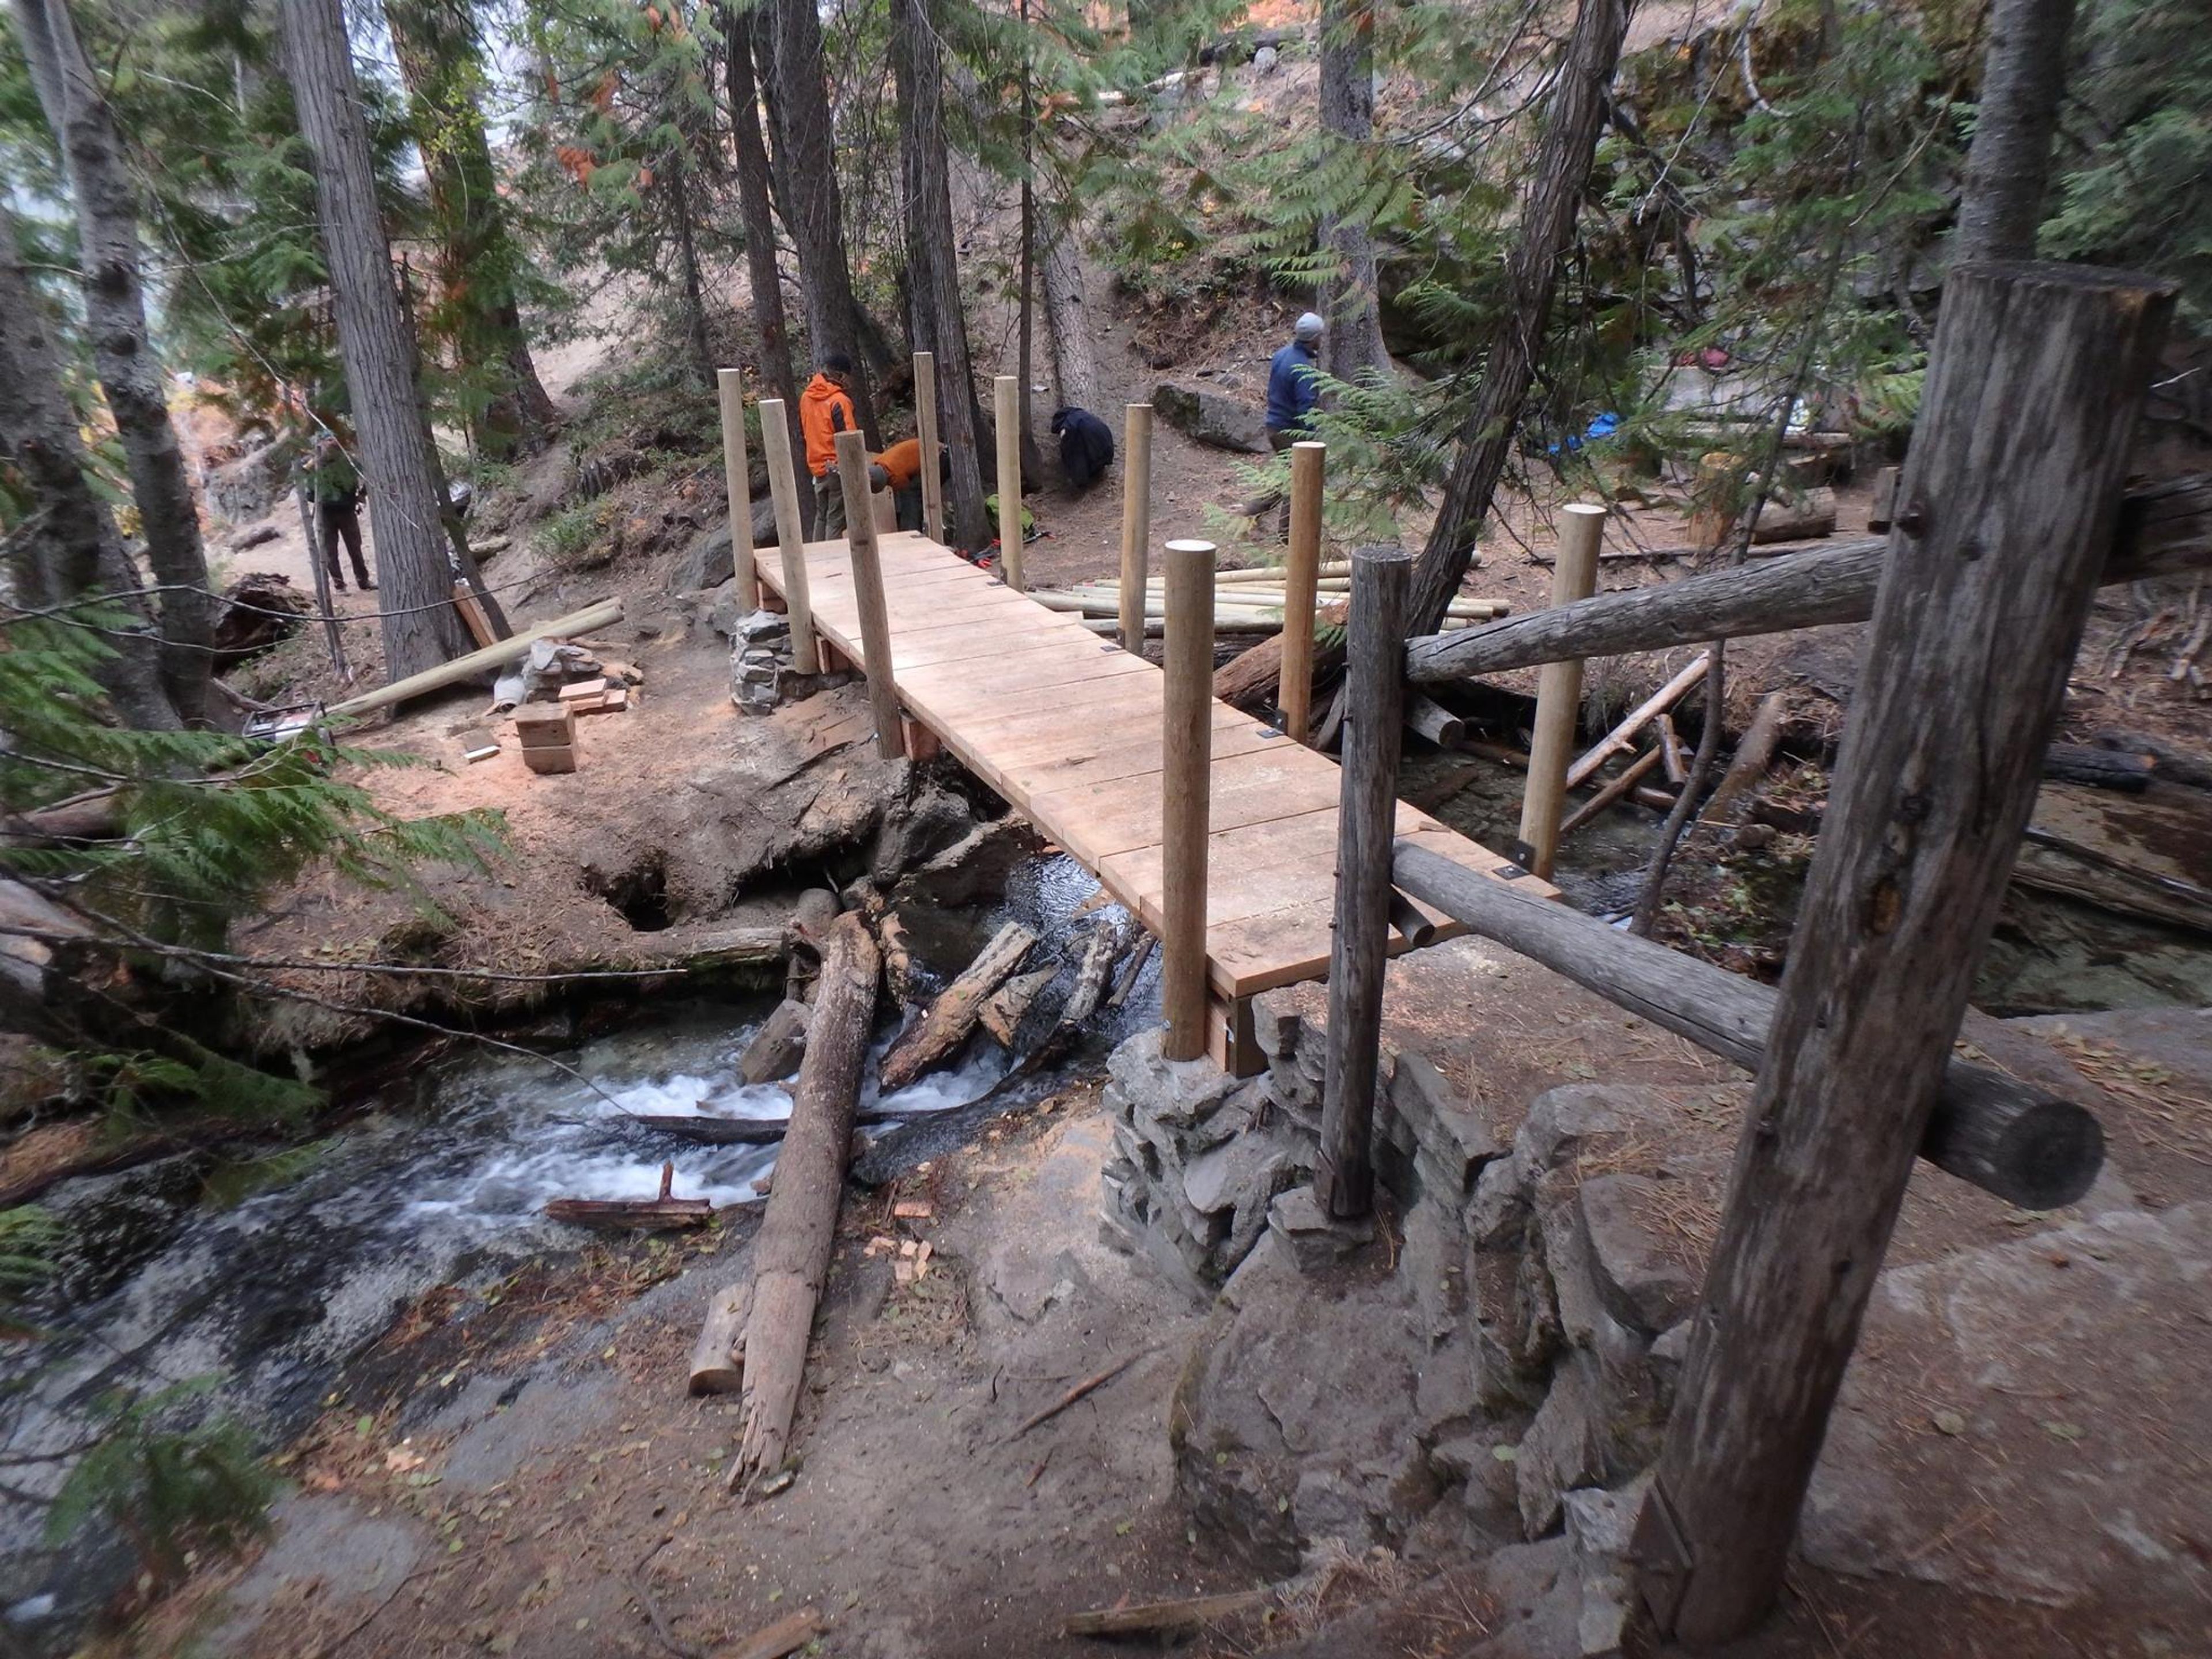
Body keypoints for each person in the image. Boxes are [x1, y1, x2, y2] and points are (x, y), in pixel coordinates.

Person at [1265, 312, 1324, 537]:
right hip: (1289, 432)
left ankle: (1253, 511)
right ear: (1314, 338)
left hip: (1273, 425)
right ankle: (1287, 533)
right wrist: (1312, 440)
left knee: (1287, 476)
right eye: (1321, 335)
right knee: (1298, 480)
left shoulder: (1281, 355)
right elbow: (1306, 409)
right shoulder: (1304, 369)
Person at [800, 351, 860, 540]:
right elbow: (849, 438)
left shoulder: (806, 398)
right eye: (848, 377)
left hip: (817, 467)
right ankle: (831, 560)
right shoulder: (840, 401)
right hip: (836, 466)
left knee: (821, 516)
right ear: (841, 376)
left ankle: (818, 559)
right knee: (835, 519)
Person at [303, 434, 373, 592]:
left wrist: (361, 495)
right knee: (330, 551)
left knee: (355, 547)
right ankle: (339, 585)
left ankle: (363, 581)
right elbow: (309, 492)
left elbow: (367, 476)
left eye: (333, 440)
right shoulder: (314, 464)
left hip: (347, 511)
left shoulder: (350, 461)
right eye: (327, 440)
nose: (331, 443)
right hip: (326, 514)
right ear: (321, 443)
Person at [1049, 406, 1115, 493]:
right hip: (1107, 445)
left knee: (1074, 452)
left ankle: (1082, 487)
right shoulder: (1084, 416)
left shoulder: (1069, 423)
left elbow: (1071, 452)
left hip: (1095, 447)